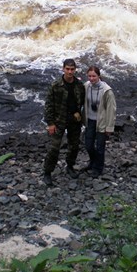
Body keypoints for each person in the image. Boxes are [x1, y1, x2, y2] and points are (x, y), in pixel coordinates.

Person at [43, 58, 85, 186]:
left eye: (72, 69)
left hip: (74, 121)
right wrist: (50, 123)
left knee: (74, 146)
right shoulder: (55, 85)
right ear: (63, 69)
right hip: (58, 121)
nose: (70, 72)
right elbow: (49, 105)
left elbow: (81, 101)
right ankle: (47, 172)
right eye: (67, 69)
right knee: (54, 148)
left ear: (75, 70)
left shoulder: (79, 85)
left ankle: (70, 166)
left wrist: (79, 112)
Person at [82, 65, 116, 177]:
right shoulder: (86, 86)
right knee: (88, 145)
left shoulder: (107, 91)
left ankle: (98, 168)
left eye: (94, 76)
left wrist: (109, 127)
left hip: (102, 122)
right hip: (90, 120)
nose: (91, 79)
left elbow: (111, 110)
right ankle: (92, 161)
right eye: (89, 76)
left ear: (99, 76)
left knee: (100, 148)